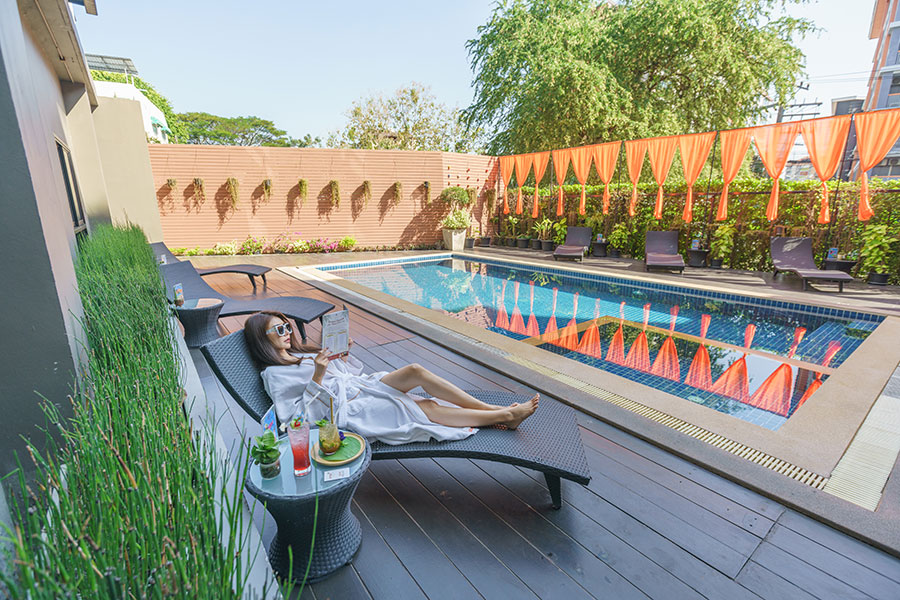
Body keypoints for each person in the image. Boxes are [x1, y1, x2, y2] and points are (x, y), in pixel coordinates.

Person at [244, 311, 538, 445]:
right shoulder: (274, 374)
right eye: (279, 330)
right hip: (347, 412)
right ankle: (505, 415)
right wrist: (318, 376)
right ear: (262, 339)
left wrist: (340, 359)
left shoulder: (302, 354)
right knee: (424, 409)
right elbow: (294, 421)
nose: (287, 332)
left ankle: (487, 410)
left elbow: (343, 376)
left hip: (360, 388)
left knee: (415, 372)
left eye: (286, 326)